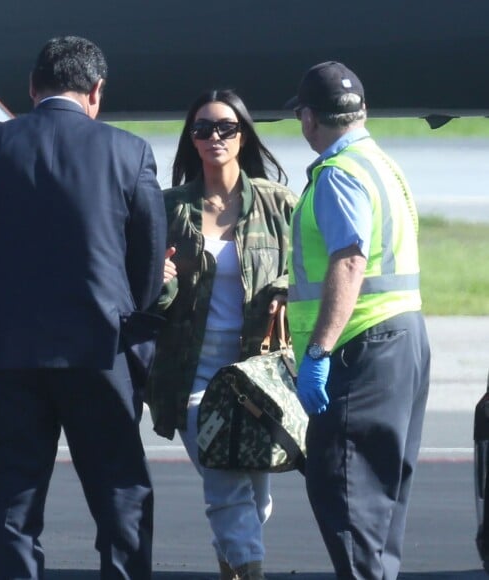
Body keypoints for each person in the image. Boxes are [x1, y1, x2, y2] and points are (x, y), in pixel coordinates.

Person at [0, 36, 167, 579]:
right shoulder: (129, 151)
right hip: (99, 346)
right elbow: (149, 256)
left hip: (12, 349)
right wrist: (122, 304)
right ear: (96, 91)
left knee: (16, 496)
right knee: (120, 491)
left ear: (33, 88)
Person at [284, 61, 431, 579]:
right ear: (360, 110)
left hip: (360, 346)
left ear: (307, 118)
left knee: (346, 494)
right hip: (403, 339)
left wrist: (319, 352)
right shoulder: (381, 164)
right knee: (381, 502)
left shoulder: (336, 174)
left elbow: (350, 258)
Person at [146, 88, 299, 580]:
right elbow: (141, 291)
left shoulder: (278, 204)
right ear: (190, 140)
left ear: (243, 135)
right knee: (227, 485)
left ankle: (231, 569)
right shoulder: (169, 208)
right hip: (193, 378)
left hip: (258, 378)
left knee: (256, 498)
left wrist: (285, 287)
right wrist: (159, 283)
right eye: (203, 128)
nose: (214, 136)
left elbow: (312, 269)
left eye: (226, 128)